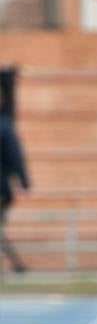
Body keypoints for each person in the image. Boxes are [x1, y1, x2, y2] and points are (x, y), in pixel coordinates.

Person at [0, 112, 30, 274]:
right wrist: (24, 182)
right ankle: (17, 265)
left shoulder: (4, 126)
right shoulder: (4, 126)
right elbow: (15, 156)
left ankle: (17, 265)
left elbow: (14, 155)